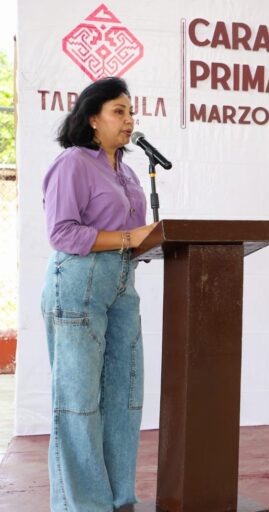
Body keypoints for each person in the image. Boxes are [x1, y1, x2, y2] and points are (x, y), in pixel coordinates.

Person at [41, 77, 156, 510]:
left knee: (124, 397)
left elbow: (135, 236)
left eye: (131, 111)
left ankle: (119, 498)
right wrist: (131, 236)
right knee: (78, 403)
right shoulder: (73, 162)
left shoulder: (126, 171)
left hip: (123, 287)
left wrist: (150, 239)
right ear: (93, 119)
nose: (129, 120)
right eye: (119, 112)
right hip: (78, 285)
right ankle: (82, 505)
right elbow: (61, 232)